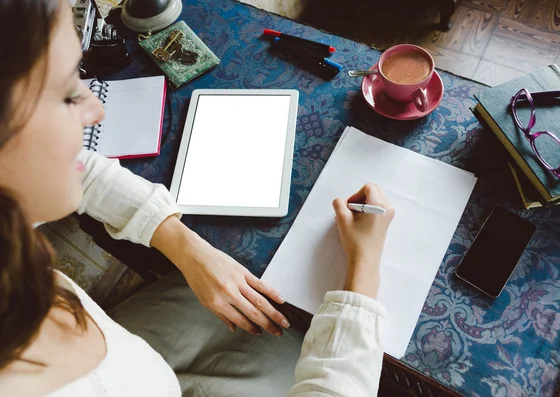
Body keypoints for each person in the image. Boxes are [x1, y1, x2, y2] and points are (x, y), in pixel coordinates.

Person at [0, 0, 395, 396]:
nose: (97, 110)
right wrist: (364, 268)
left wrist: (185, 246)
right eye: (68, 95)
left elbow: (80, 167)